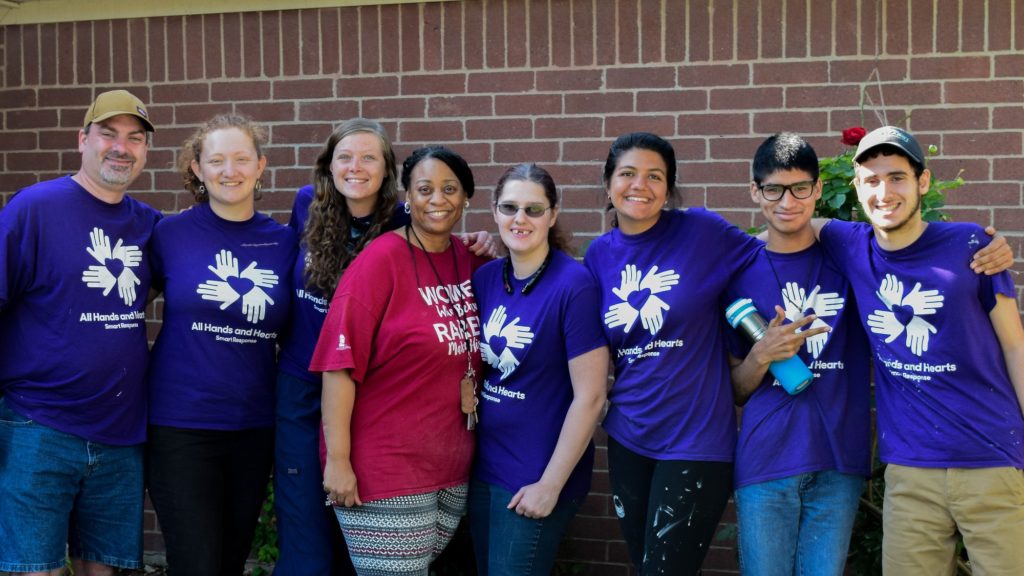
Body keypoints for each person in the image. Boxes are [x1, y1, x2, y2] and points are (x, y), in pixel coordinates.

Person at [274, 120, 495, 575]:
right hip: (308, 383)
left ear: (391, 174)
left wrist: (485, 242)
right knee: (310, 544)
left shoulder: (406, 224)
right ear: (328, 166)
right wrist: (339, 460)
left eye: (369, 157)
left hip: (378, 395)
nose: (355, 167)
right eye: (345, 157)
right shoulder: (308, 205)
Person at [814, 126, 1024, 575]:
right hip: (910, 469)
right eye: (871, 180)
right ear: (857, 188)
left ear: (922, 182)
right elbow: (790, 225)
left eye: (897, 177)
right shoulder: (851, 245)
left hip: (990, 458)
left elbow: (1015, 345)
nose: (884, 192)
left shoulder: (973, 246)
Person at [582, 132, 764, 575]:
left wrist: (827, 229)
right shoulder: (599, 255)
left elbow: (777, 250)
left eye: (654, 176)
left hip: (696, 439)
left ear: (669, 188)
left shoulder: (702, 232)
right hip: (629, 435)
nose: (639, 185)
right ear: (609, 184)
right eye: (627, 174)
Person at [0, 90, 160, 575]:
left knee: (103, 568)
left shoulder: (148, 225)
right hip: (38, 425)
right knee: (34, 568)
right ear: (83, 140)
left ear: (145, 151)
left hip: (120, 431)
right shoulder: (35, 209)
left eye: (134, 138)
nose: (121, 147)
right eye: (108, 134)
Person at [145, 114, 297, 576]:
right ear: (197, 168)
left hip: (253, 424)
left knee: (230, 561)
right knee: (197, 563)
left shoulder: (284, 241)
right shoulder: (169, 234)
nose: (229, 170)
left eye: (240, 159)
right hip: (179, 424)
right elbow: (125, 307)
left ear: (260, 166)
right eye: (216, 160)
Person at [723, 133, 870, 576]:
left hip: (839, 459)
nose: (787, 201)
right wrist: (762, 355)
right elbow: (736, 389)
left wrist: (980, 245)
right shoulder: (738, 272)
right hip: (766, 462)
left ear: (819, 189)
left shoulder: (849, 260)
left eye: (800, 188)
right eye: (773, 189)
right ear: (755, 191)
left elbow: (912, 250)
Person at [468, 163, 609, 576]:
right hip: (484, 469)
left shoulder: (574, 285)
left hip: (535, 474)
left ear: (553, 213)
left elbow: (592, 396)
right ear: (494, 211)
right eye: (509, 207)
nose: (520, 219)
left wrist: (551, 484)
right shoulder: (486, 278)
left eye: (533, 209)